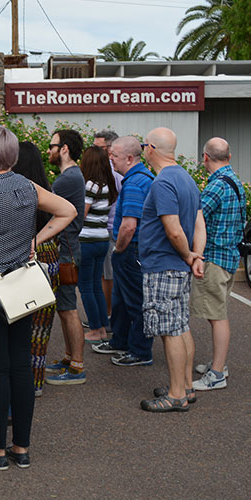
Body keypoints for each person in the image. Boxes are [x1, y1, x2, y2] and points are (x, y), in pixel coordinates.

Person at [0, 125, 76, 470]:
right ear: (11, 156)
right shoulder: (27, 185)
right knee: (21, 365)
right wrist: (35, 241)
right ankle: (21, 447)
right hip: (23, 286)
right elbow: (67, 211)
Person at [137, 128, 205, 413]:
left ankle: (176, 394)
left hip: (164, 266)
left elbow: (173, 228)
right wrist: (196, 256)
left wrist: (188, 253)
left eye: (144, 145)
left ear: (151, 148)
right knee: (180, 325)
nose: (142, 149)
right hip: (178, 266)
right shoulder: (186, 178)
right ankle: (186, 386)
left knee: (170, 331)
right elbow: (199, 223)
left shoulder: (163, 182)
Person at [191, 137, 245, 392]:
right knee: (218, 313)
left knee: (217, 316)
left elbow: (197, 218)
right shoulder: (234, 181)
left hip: (214, 257)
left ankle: (217, 373)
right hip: (230, 255)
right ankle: (217, 364)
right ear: (229, 157)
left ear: (205, 158)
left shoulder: (215, 186)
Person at [107, 136, 156, 368]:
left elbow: (129, 225)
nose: (111, 160)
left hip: (131, 250)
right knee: (126, 300)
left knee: (136, 301)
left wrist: (118, 249)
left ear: (128, 158)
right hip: (135, 249)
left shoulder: (135, 182)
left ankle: (140, 351)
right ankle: (125, 342)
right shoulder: (141, 178)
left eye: (114, 156)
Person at [12, 141, 57, 395]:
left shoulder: (17, 191)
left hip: (25, 255)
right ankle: (35, 381)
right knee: (42, 325)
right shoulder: (44, 189)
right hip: (48, 255)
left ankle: (20, 381)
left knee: (19, 324)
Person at [44, 129, 88, 385]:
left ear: (64, 149)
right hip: (68, 250)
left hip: (65, 252)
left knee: (69, 309)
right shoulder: (71, 176)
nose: (48, 150)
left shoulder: (67, 180)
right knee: (63, 308)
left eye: (52, 146)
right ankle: (70, 357)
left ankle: (77, 367)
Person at [79, 146, 117, 347]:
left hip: (87, 240)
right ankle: (102, 327)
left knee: (85, 287)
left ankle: (95, 329)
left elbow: (82, 214)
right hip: (102, 239)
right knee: (95, 285)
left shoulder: (90, 185)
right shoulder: (107, 184)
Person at [92, 130, 122, 325]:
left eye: (98, 148)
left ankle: (108, 316)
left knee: (108, 276)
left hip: (110, 228)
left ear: (109, 149)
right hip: (110, 228)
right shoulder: (115, 172)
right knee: (107, 275)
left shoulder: (111, 173)